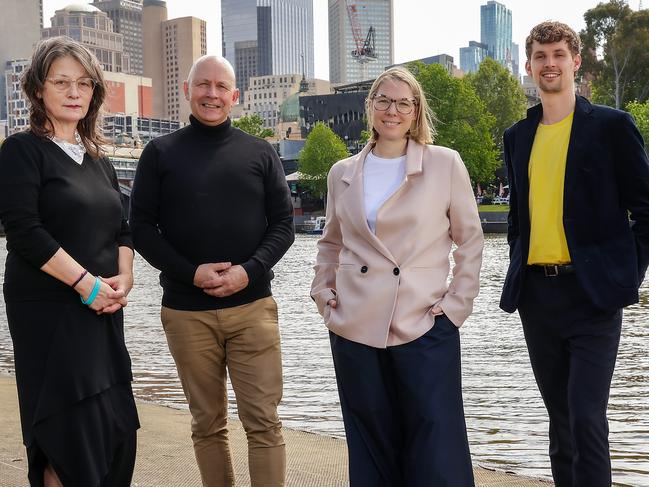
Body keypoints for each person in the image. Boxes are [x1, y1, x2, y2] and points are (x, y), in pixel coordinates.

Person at [310, 67, 483, 486]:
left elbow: (471, 241)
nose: (393, 110)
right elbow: (331, 242)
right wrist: (322, 291)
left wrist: (455, 308)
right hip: (355, 325)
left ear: (416, 111)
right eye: (383, 100)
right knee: (370, 445)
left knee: (436, 449)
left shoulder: (445, 164)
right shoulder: (342, 172)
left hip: (424, 323)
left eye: (404, 102)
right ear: (369, 107)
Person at [129, 55, 294, 487]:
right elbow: (142, 229)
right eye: (203, 85)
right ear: (187, 91)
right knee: (207, 423)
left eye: (222, 87)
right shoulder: (159, 153)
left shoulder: (259, 152)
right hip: (186, 312)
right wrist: (189, 272)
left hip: (252, 308)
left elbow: (283, 226)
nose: (212, 94)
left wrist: (249, 271)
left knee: (263, 422)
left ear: (235, 97)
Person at [500, 21, 649, 487]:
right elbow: (517, 218)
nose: (550, 64)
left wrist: (627, 275)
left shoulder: (611, 127)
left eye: (559, 55)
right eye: (541, 56)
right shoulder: (517, 136)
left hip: (593, 298)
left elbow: (646, 209)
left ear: (575, 61)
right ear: (529, 65)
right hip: (538, 300)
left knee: (587, 420)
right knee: (561, 426)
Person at [0, 37, 139, 486]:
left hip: (103, 312)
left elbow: (123, 227)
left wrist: (124, 278)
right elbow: (23, 231)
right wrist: (87, 285)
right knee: (66, 429)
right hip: (50, 313)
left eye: (84, 83)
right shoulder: (21, 151)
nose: (74, 92)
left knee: (114, 428)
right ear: (39, 88)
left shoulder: (98, 159)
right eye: (61, 82)